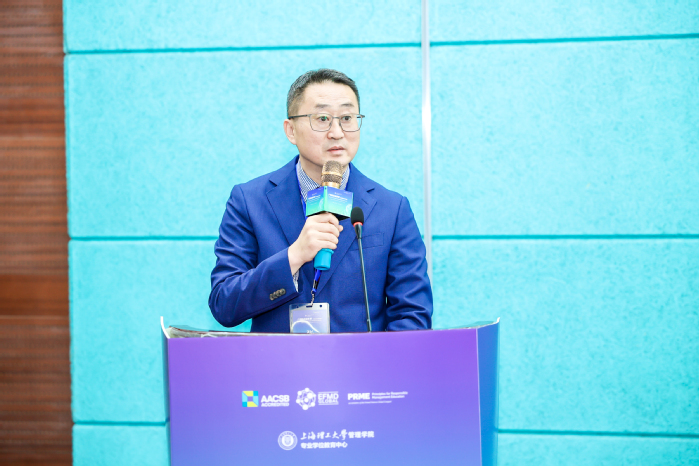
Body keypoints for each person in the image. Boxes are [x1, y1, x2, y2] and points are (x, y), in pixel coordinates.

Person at [209, 68, 432, 332]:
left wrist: (376, 359)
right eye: (323, 118)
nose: (337, 132)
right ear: (291, 130)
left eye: (347, 118)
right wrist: (294, 256)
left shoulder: (392, 209)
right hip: (278, 359)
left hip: (361, 360)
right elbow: (224, 304)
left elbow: (412, 315)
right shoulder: (249, 201)